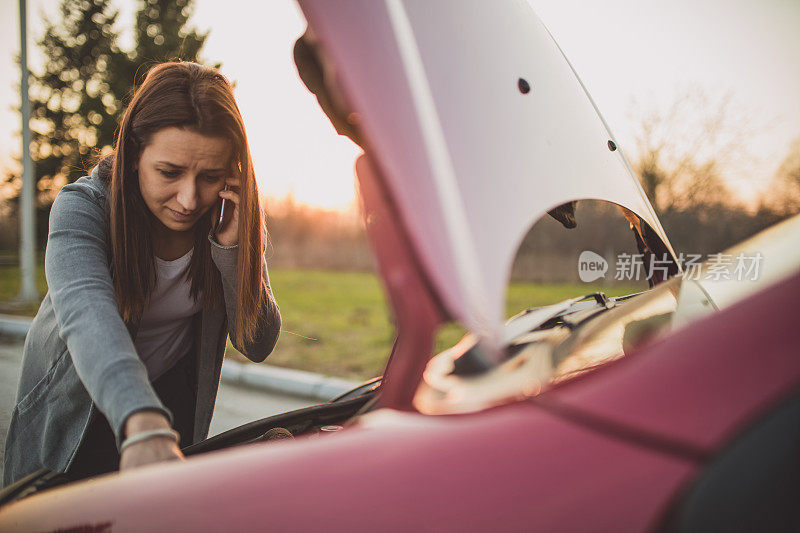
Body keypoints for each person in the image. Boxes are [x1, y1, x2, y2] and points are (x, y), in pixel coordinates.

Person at [3, 61, 281, 486]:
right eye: (169, 173)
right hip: (77, 418)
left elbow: (257, 342)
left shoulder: (230, 219)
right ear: (133, 154)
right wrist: (142, 418)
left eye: (209, 177)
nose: (189, 200)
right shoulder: (83, 208)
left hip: (169, 419)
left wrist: (233, 249)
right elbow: (88, 318)